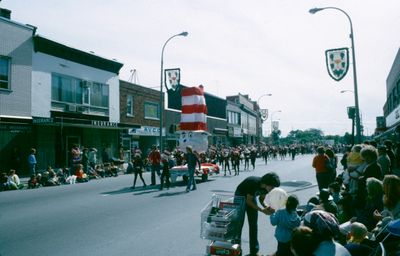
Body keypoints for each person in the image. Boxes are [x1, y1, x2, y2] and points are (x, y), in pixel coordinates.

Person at [235, 172, 281, 256]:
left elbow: (261, 199)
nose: (273, 189)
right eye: (272, 187)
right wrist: (262, 210)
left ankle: (254, 251)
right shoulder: (254, 183)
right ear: (266, 183)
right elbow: (248, 201)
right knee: (238, 225)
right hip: (240, 196)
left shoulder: (266, 189)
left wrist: (267, 207)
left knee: (253, 225)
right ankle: (237, 251)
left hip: (251, 197)